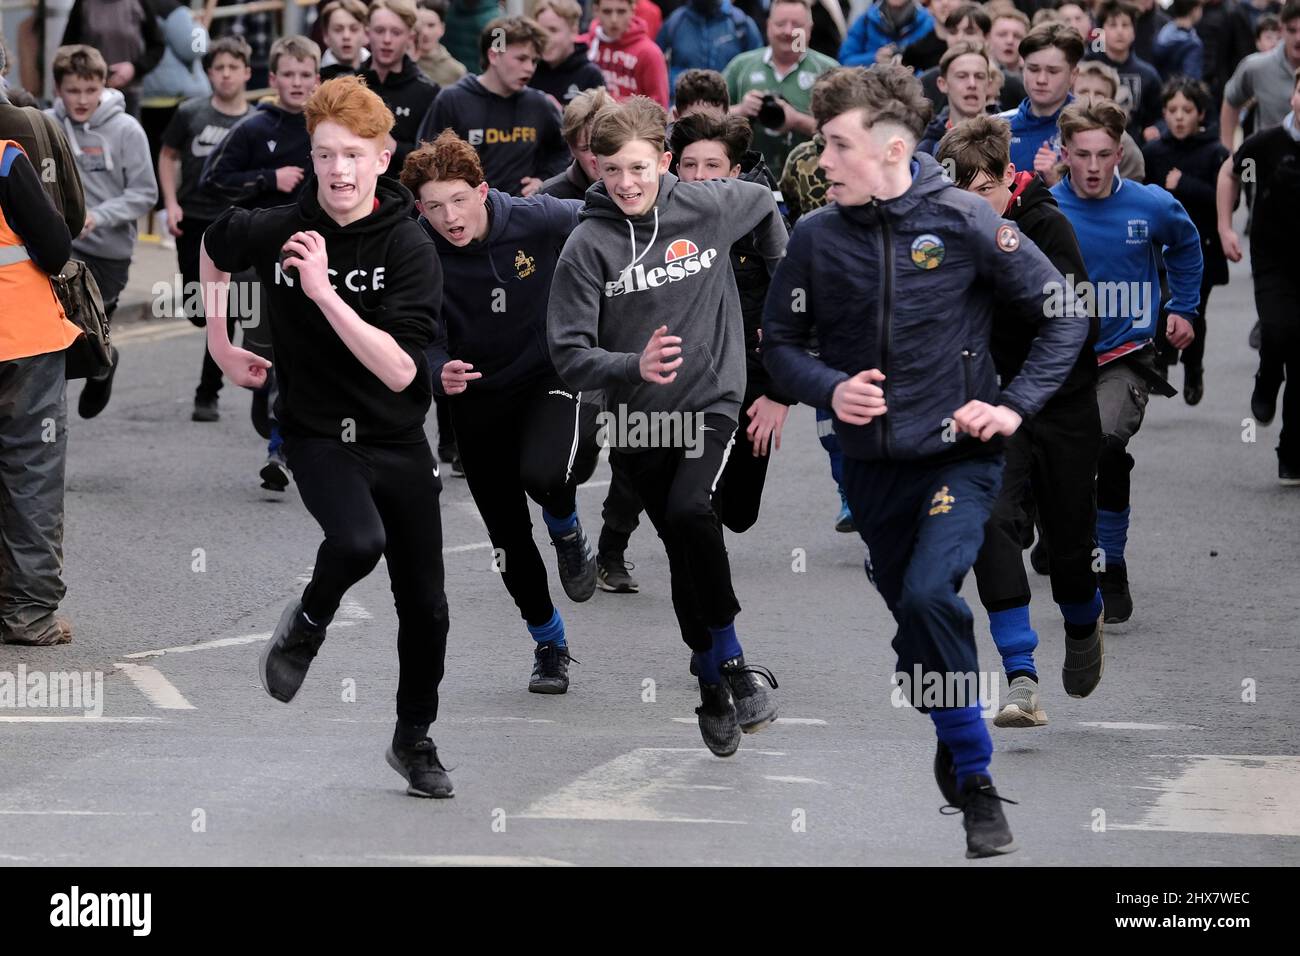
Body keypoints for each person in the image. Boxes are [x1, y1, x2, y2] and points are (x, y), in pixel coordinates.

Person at [762, 65, 1084, 857]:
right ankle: (945, 708)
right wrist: (832, 390)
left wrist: (1011, 406)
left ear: (892, 147)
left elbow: (1064, 314)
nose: (822, 161)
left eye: (836, 146)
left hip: (960, 456)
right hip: (872, 468)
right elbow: (780, 348)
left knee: (933, 593)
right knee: (915, 615)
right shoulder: (813, 236)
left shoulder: (966, 219)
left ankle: (974, 779)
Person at [201, 75, 453, 798]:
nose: (338, 170)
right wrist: (220, 342)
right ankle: (309, 622)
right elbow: (215, 247)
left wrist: (322, 293)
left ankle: (414, 739)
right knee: (355, 542)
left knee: (428, 609)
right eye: (324, 154)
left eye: (353, 155)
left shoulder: (410, 245)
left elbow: (405, 371)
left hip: (398, 437)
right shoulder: (281, 223)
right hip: (315, 432)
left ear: (382, 157)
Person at [547, 95, 786, 756]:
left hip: (711, 399)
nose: (625, 183)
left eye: (638, 168)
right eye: (612, 169)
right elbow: (567, 354)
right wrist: (631, 362)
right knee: (685, 549)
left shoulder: (708, 205)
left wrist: (781, 294)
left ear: (663, 162)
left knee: (690, 511)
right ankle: (710, 682)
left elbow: (766, 209)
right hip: (637, 421)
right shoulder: (587, 245)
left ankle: (734, 666)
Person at [403, 129, 599, 693]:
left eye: (459, 200)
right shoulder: (418, 248)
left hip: (546, 376)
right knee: (509, 541)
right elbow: (418, 332)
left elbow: (601, 206)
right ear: (421, 209)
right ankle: (550, 643)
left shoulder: (534, 217)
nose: (450, 217)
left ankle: (565, 525)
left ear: (482, 192)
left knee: (545, 474)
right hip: (477, 398)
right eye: (435, 207)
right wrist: (437, 368)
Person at [936, 114, 1105, 728]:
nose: (971, 205)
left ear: (1010, 176)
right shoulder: (950, 234)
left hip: (1061, 403)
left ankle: (1084, 623)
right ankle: (1021, 677)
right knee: (992, 524)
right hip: (992, 408)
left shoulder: (1044, 225)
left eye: (982, 190)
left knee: (1068, 547)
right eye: (959, 194)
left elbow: (1071, 318)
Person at [1050, 98, 1203, 622]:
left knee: (1106, 447)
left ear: (1120, 153)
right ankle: (1063, 529)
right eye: (1082, 155)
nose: (1093, 167)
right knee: (1055, 464)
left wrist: (1183, 306)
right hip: (1060, 360)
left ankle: (1110, 565)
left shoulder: (1150, 205)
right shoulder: (1045, 211)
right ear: (1064, 153)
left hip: (1125, 355)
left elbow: (1185, 244)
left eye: (1104, 155)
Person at [200, 34, 321, 492]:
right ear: (272, 80)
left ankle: (280, 449)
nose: (296, 83)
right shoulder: (255, 128)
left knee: (305, 361)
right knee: (265, 365)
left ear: (316, 78)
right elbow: (215, 180)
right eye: (287, 75)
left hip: (313, 264)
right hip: (258, 269)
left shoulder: (326, 129)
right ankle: (268, 420)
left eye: (305, 75)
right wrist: (269, 177)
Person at [0, 120, 79, 647]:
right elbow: (54, 248)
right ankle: (27, 613)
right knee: (30, 470)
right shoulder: (5, 159)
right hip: (20, 338)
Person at [48, 44, 158, 420]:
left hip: (109, 249)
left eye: (90, 90)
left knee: (90, 330)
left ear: (103, 86)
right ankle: (47, 410)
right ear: (58, 88)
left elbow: (145, 193)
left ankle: (103, 364)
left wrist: (99, 215)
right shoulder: (47, 123)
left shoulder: (127, 129)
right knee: (51, 330)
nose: (82, 100)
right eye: (73, 90)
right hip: (58, 246)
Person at [160, 36, 253, 424]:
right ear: (209, 73)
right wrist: (171, 203)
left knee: (225, 309)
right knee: (199, 311)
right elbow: (168, 155)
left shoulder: (256, 120)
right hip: (194, 219)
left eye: (234, 68)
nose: (226, 75)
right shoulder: (190, 112)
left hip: (235, 222)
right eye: (219, 68)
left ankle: (207, 393)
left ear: (247, 73)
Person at [1218, 67, 1300, 483]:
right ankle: (1267, 380)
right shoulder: (1267, 144)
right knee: (1279, 329)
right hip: (1272, 258)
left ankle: (1292, 453)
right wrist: (1226, 227)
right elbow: (1230, 173)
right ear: (1293, 97)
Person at [1142, 76, 1230, 403]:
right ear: (1164, 113)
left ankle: (1194, 367)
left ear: (1201, 114)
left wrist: (1185, 185)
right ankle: (1162, 360)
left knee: (1194, 311)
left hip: (1202, 247)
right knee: (1162, 302)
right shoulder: (1154, 151)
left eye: (1187, 110)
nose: (1179, 117)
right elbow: (1143, 193)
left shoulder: (1215, 152)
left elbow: (1228, 201)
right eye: (1172, 110)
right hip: (1160, 248)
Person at [416, 16, 568, 196]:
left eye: (534, 61)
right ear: (494, 55)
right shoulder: (452, 100)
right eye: (521, 58)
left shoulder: (539, 104)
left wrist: (544, 179)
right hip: (467, 213)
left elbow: (564, 151)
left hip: (521, 212)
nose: (529, 68)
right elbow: (425, 157)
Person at [723, 0, 839, 180]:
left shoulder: (828, 71)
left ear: (809, 28)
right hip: (748, 180)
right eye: (780, 24)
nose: (788, 31)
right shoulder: (741, 67)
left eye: (797, 25)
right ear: (768, 25)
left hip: (812, 183)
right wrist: (741, 110)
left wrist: (797, 121)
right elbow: (710, 119)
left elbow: (845, 131)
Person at [362, 0, 441, 177]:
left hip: (406, 196)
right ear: (367, 33)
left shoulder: (429, 92)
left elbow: (435, 159)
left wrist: (394, 147)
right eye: (380, 31)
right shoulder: (349, 85)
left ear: (410, 37)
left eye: (396, 32)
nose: (387, 40)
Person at [997, 21, 1082, 185]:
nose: (1041, 80)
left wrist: (1057, 182)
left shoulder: (1095, 128)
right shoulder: (997, 127)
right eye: (1033, 69)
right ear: (1022, 68)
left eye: (1053, 71)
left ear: (1073, 75)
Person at [59, 0, 165, 117]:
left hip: (129, 94)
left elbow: (157, 46)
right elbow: (68, 49)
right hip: (88, 93)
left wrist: (134, 68)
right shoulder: (84, 3)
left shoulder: (139, 3)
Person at [1220, 0, 1300, 148]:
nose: (1298, 38)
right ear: (1281, 29)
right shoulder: (1256, 66)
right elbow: (1231, 100)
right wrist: (1227, 150)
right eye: (1292, 30)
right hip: (1267, 162)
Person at [1086, 0, 1164, 140]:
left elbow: (1161, 116)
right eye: (1113, 25)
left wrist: (1155, 129)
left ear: (1134, 31)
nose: (1120, 31)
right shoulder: (1088, 69)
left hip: (1136, 147)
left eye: (1125, 25)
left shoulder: (1148, 74)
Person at [658, 0, 763, 97]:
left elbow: (758, 68)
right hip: (684, 105)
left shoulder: (741, 24)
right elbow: (657, 68)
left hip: (729, 106)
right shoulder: (675, 23)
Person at [916, 40, 1001, 155]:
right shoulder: (927, 149)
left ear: (989, 84)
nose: (972, 84)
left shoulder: (1011, 136)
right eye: (962, 76)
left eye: (979, 77)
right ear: (943, 84)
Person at [582, 0, 669, 106]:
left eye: (621, 11)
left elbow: (659, 107)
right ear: (595, 11)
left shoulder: (649, 53)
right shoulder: (585, 45)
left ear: (632, 10)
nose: (614, 19)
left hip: (633, 121)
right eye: (607, 12)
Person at [1073, 60, 1150, 181]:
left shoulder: (1126, 147)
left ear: (1112, 100)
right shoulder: (1057, 134)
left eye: (1100, 94)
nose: (1091, 99)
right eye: (1083, 92)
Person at [540, 85, 613, 200]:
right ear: (571, 149)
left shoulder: (640, 185)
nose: (597, 157)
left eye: (606, 144)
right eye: (586, 148)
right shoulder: (551, 196)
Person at [530, 0, 607, 106]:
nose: (544, 38)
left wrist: (559, 114)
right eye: (540, 31)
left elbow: (601, 120)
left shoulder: (590, 76)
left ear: (574, 31)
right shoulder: (530, 70)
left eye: (553, 30)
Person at [837, 0, 936, 67]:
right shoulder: (866, 20)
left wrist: (908, 63)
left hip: (914, 91)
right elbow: (844, 60)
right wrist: (875, 58)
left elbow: (934, 68)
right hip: (872, 91)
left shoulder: (929, 23)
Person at [416, 0, 469, 86]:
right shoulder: (400, 63)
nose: (425, 32)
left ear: (442, 28)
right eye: (420, 25)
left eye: (431, 25)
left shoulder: (456, 71)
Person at [1153, 0, 1207, 80]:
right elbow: (1190, 80)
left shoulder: (1161, 35)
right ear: (1194, 11)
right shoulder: (1193, 45)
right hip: (1179, 91)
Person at [319, 0, 372, 81]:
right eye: (338, 29)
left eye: (354, 29)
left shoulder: (380, 74)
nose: (346, 36)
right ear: (326, 35)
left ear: (366, 34)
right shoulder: (314, 76)